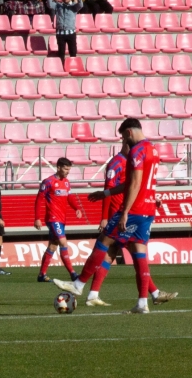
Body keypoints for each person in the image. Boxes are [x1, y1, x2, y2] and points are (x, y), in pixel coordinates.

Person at [55, 118, 160, 314]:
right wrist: (105, 194)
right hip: (148, 209)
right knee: (139, 251)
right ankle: (143, 302)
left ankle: (79, 284)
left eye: (123, 137)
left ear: (128, 132)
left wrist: (125, 212)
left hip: (134, 209)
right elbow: (140, 182)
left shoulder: (136, 152)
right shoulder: (153, 149)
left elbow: (134, 185)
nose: (124, 141)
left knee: (104, 242)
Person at [84, 140, 177, 307]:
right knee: (135, 253)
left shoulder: (132, 161)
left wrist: (150, 199)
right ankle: (154, 294)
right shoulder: (116, 163)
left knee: (112, 255)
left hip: (129, 212)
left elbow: (134, 187)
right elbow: (109, 189)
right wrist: (105, 217)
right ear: (127, 143)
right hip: (121, 215)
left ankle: (92, 293)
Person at [33, 157, 83, 283]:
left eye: (69, 169)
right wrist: (37, 218)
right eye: (66, 169)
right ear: (59, 167)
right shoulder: (48, 182)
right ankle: (73, 274)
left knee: (53, 246)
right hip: (53, 218)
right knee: (63, 242)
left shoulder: (66, 182)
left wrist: (76, 208)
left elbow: (70, 196)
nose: (67, 171)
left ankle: (42, 274)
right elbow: (39, 199)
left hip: (62, 219)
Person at [48, 0, 83, 65]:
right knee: (61, 52)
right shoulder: (58, 5)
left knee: (73, 51)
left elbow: (81, 5)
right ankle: (61, 66)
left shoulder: (74, 6)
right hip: (60, 33)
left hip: (71, 33)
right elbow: (50, 5)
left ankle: (72, 66)